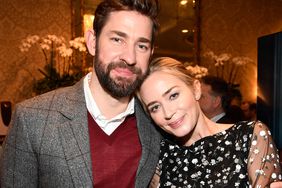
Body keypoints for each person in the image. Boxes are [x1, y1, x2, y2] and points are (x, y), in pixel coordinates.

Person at [0, 0, 162, 187]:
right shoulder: (32, 120)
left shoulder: (157, 123)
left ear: (150, 53)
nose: (130, 58)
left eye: (141, 46)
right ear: (92, 42)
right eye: (117, 39)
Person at [137, 57, 282, 187]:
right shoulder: (159, 157)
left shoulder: (248, 136)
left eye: (173, 95)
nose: (168, 113)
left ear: (196, 89)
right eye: (155, 107)